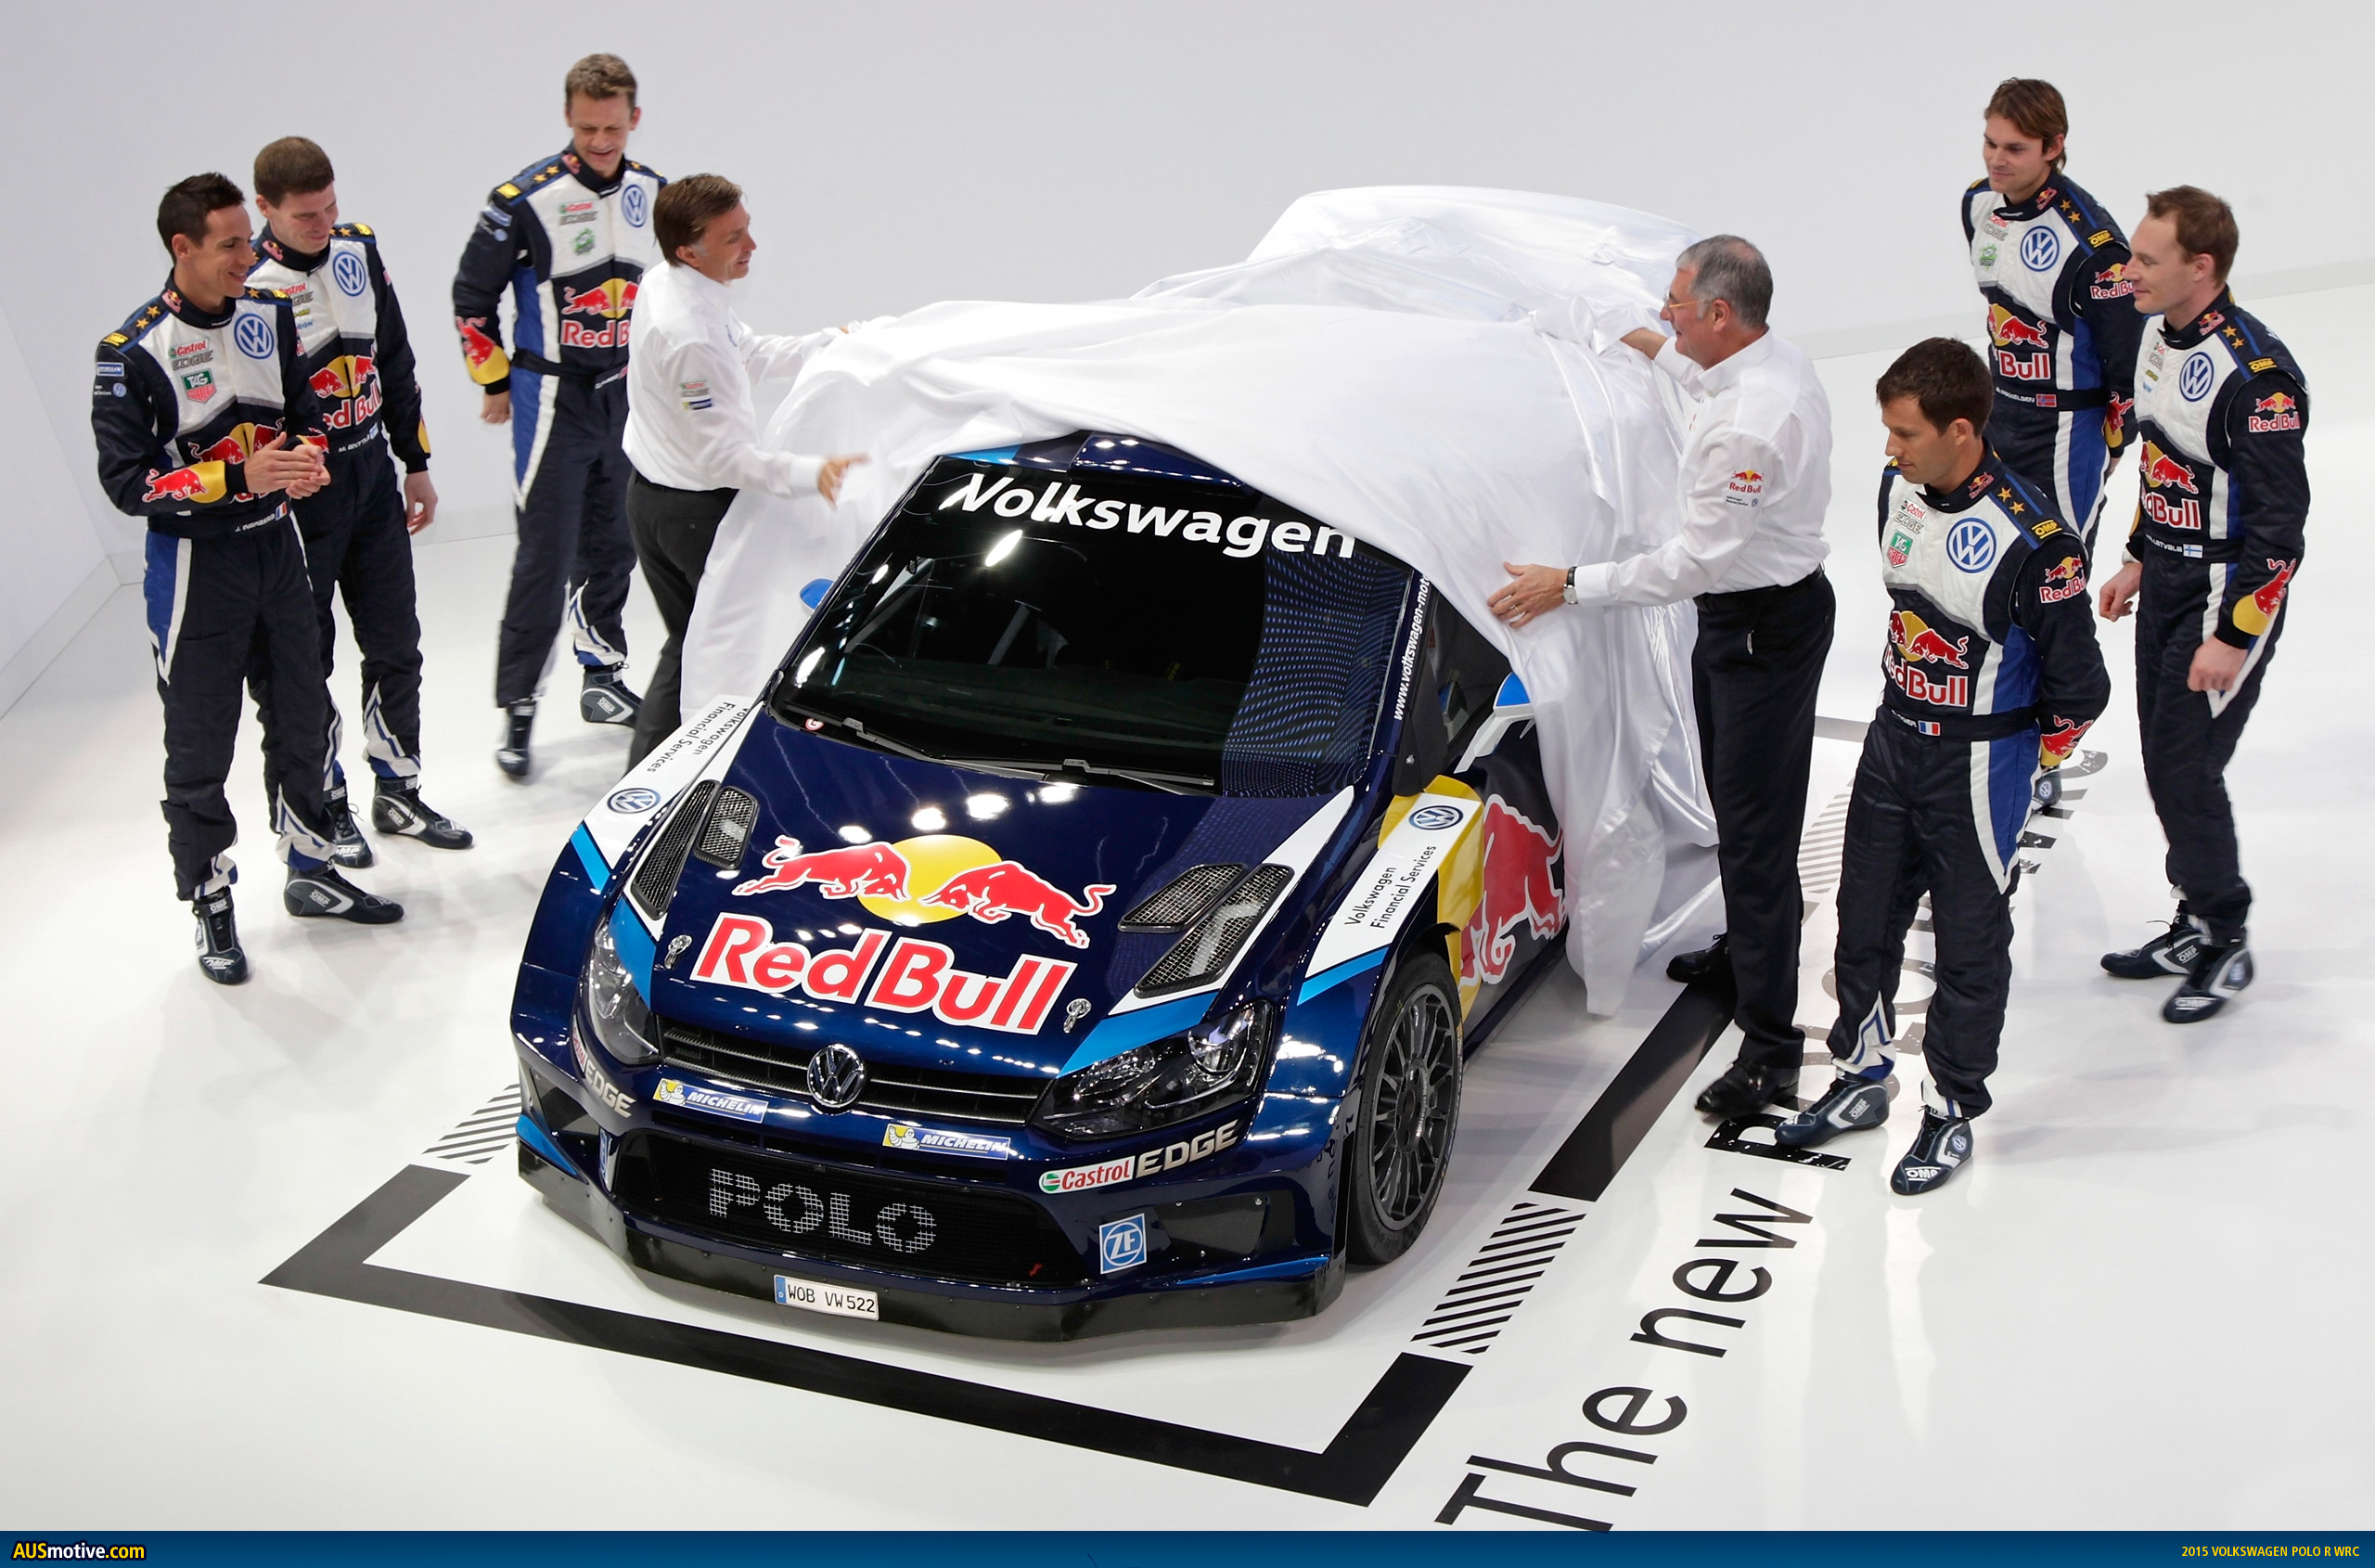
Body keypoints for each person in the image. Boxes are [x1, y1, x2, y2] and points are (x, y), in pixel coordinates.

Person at [1489, 235, 1833, 1119]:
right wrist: (1640, 343)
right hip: (1750, 622)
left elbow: (1690, 564)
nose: (1665, 315)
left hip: (1760, 631)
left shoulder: (1750, 424)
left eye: (1675, 305)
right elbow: (1699, 375)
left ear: (1720, 312)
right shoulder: (1762, 358)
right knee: (1738, 806)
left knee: (1755, 837)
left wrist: (1568, 585)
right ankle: (1747, 950)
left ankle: (1771, 1050)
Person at [1773, 338, 2107, 1192]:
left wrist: (2027, 758)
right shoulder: (1898, 491)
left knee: (1967, 941)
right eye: (1889, 431)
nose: (1890, 450)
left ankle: (1952, 1108)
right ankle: (1859, 1076)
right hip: (1892, 740)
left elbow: (2081, 686)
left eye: (1905, 433)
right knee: (1862, 918)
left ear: (1961, 430)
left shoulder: (2038, 543)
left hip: (1980, 761)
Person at [93, 174, 404, 984]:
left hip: (279, 551)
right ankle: (210, 901)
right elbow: (128, 486)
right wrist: (238, 477)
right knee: (200, 748)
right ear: (182, 248)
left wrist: (307, 459)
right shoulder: (130, 352)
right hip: (197, 573)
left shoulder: (268, 314)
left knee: (302, 718)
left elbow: (306, 415)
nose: (247, 257)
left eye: (245, 239)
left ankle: (311, 868)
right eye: (230, 245)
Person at [2096, 188, 2307, 1022]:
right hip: (2169, 581)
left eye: (2148, 260)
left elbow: (2280, 531)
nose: (2129, 271)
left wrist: (2233, 634)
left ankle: (2227, 933)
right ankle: (2193, 920)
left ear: (2202, 267)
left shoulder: (2257, 380)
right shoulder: (2156, 333)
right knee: (2162, 761)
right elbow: (2164, 462)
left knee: (2186, 769)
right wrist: (2138, 557)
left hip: (2225, 592)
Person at [248, 136, 472, 860]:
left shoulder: (357, 249)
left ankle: (399, 789)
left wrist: (416, 463)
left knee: (396, 642)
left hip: (372, 478)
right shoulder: (246, 286)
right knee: (302, 665)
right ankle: (325, 803)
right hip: (302, 501)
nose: (323, 225)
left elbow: (395, 360)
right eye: (305, 215)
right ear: (265, 208)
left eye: (330, 207)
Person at [452, 53, 664, 778]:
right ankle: (519, 706)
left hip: (624, 394)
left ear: (635, 119)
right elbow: (471, 299)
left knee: (616, 541)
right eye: (586, 128)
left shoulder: (654, 193)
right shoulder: (522, 200)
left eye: (613, 128)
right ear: (568, 119)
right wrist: (492, 379)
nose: (600, 142)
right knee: (544, 556)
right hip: (550, 399)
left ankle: (602, 674)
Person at [620, 174, 868, 765]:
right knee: (710, 647)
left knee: (688, 642)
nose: (751, 246)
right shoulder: (689, 337)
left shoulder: (668, 282)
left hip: (653, 498)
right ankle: (656, 780)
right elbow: (722, 458)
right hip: (691, 515)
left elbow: (746, 353)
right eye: (733, 238)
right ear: (690, 250)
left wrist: (824, 343)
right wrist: (812, 473)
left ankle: (650, 778)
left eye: (746, 229)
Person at [1962, 79, 2145, 546]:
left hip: (2066, 429)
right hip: (1997, 411)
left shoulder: (2095, 249)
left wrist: (2116, 442)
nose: (1996, 159)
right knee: (2000, 555)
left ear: (2053, 147)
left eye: (2015, 149)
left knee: (2059, 561)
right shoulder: (1978, 203)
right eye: (1990, 143)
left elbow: (2129, 360)